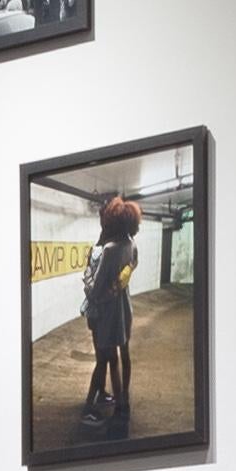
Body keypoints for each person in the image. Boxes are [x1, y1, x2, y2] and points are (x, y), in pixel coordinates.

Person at [76, 187, 143, 438]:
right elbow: (133, 264)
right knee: (124, 353)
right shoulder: (130, 242)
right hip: (125, 306)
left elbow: (94, 289)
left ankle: (117, 411)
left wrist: (87, 281)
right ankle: (124, 400)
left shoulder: (110, 249)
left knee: (109, 358)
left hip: (107, 312)